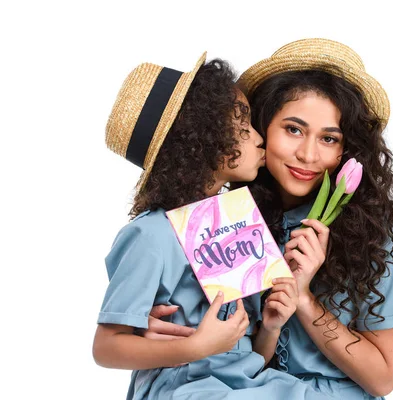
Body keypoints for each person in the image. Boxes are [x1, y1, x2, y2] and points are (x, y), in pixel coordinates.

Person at [145, 38, 393, 399]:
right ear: (260, 130)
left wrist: (304, 300)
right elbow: (239, 356)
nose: (307, 154)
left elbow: (383, 379)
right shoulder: (226, 221)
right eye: (293, 129)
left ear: (346, 151)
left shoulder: (376, 236)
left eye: (329, 138)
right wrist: (156, 334)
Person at [94, 54, 332, 400]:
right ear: (202, 142)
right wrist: (196, 346)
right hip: (186, 387)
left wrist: (271, 326)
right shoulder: (151, 234)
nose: (258, 137)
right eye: (242, 127)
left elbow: (248, 359)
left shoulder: (236, 223)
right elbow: (105, 348)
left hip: (248, 385)